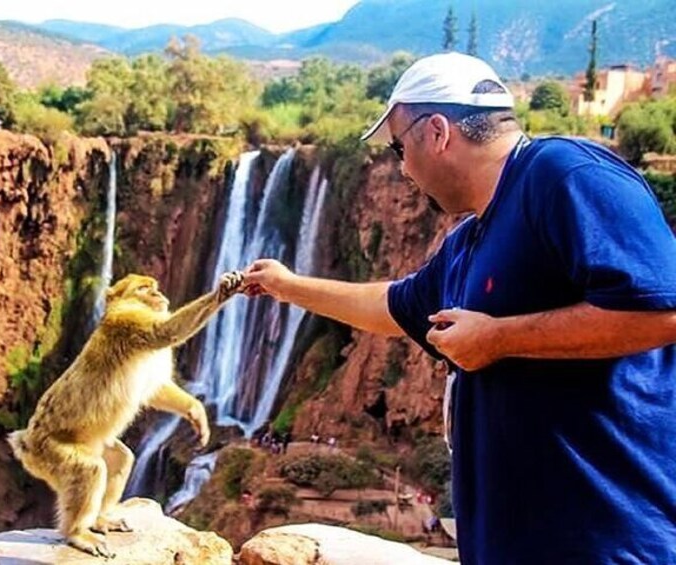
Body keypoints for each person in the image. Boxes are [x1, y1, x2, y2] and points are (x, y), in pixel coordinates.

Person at [242, 52, 676, 564]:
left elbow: (662, 311)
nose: (401, 168)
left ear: (438, 133)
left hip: (606, 541)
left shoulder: (565, 175)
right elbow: (391, 306)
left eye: (400, 148)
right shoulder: (469, 239)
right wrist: (287, 286)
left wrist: (497, 338)